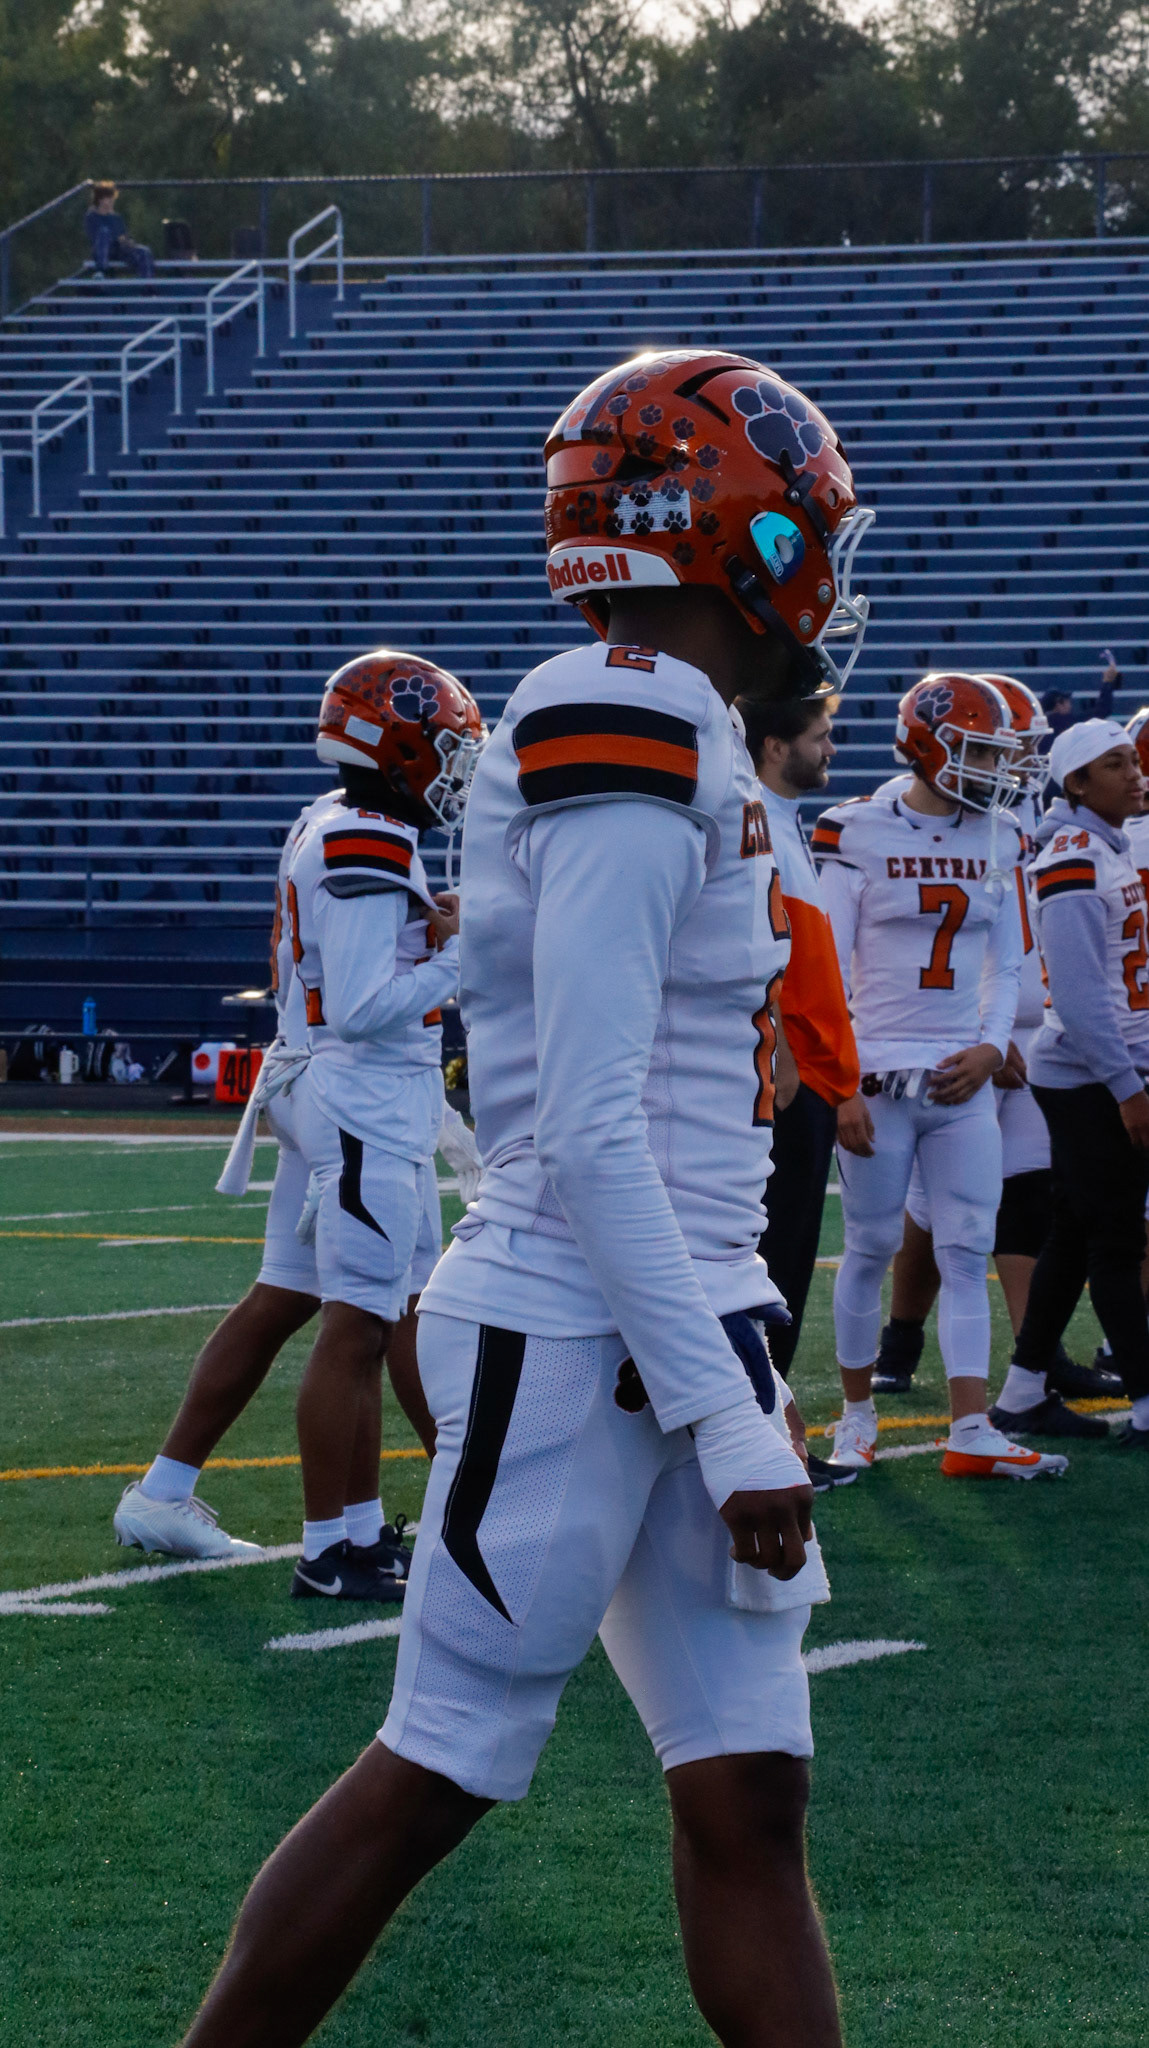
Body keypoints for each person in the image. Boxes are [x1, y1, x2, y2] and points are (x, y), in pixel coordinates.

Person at [177, 347, 876, 2048]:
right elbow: (580, 1118)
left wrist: (725, 1364)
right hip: (574, 1316)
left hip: (677, 1301)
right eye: (805, 524)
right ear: (732, 532)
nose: (823, 562)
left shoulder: (672, 719)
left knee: (750, 1792)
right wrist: (727, 1414)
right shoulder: (622, 713)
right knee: (438, 1765)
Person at [111, 775, 446, 1574]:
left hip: (317, 1080)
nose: (454, 768)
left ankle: (167, 1491)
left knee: (299, 1297)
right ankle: (335, 1547)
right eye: (444, 744)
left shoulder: (327, 813)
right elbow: (361, 1007)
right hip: (361, 1096)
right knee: (364, 1322)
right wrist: (464, 954)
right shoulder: (369, 833)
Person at [814, 672, 1068, 1480]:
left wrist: (991, 1047)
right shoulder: (853, 829)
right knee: (869, 1246)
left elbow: (1007, 960)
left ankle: (970, 1429)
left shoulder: (1000, 835)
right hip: (879, 1080)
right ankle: (856, 1417)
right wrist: (841, 1082)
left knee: (965, 1250)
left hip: (962, 1078)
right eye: (982, 752)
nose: (997, 770)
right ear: (929, 745)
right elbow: (825, 964)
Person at [872, 675, 1120, 1418]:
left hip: (1020, 1029)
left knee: (1023, 1198)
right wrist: (985, 1031)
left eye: (1021, 750)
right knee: (930, 1210)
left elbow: (1019, 940)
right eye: (1000, 750)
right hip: (950, 1036)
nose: (1017, 765)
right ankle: (902, 1342)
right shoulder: (897, 818)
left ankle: (1029, 1360)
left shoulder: (1016, 822)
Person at [999, 720, 1149, 1449]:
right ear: (1078, 783)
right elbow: (1083, 999)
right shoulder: (1075, 856)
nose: (1134, 773)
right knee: (1115, 1242)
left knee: (1073, 1231)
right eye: (1114, 765)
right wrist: (1127, 1087)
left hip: (1103, 1069)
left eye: (1132, 761)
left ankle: (1022, 1392)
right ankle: (1147, 1403)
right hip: (1088, 1074)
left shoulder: (1104, 845)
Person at [737, 691, 861, 1489]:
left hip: (805, 1071)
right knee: (771, 1264)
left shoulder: (779, 817)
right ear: (775, 746)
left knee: (780, 1263)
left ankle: (770, 1430)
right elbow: (761, 950)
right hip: (787, 1075)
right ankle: (760, 1440)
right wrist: (782, 1050)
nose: (830, 749)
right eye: (819, 736)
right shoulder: (756, 817)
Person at [84, 182, 155, 279]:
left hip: (120, 250)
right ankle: (102, 271)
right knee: (104, 233)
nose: (112, 201)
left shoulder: (116, 218)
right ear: (100, 199)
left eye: (112, 198)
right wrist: (115, 237)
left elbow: (124, 235)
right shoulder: (92, 216)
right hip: (104, 250)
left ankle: (148, 284)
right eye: (108, 198)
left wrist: (127, 242)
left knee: (144, 251)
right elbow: (96, 236)